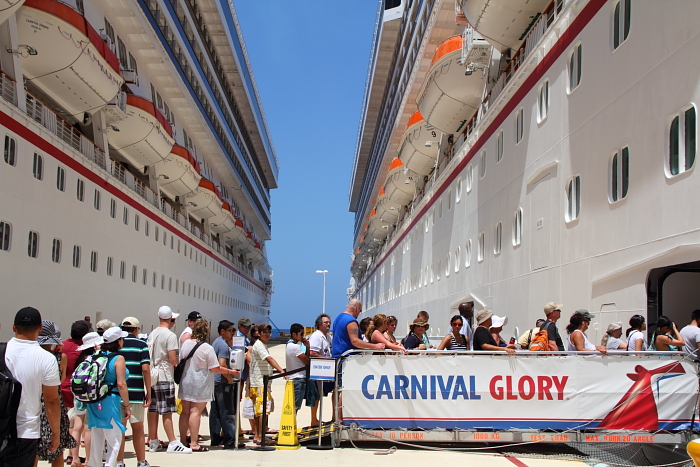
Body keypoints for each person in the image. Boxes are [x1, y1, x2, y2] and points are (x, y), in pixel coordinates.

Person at [0, 308, 61, 467]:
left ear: (14, 327)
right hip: (25, 432)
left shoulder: (1, 351)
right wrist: (55, 433)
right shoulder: (46, 359)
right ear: (40, 328)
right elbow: (52, 401)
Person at [178, 320, 239, 452]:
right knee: (195, 412)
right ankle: (194, 443)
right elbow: (215, 368)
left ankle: (183, 440)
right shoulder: (207, 347)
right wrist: (230, 372)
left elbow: (180, 359)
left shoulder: (186, 344)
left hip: (186, 381)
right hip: (200, 383)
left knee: (185, 412)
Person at [146, 306, 191, 454]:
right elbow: (173, 359)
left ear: (159, 317)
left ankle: (153, 441)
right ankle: (173, 442)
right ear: (171, 319)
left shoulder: (152, 333)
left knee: (153, 409)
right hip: (164, 375)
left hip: (152, 375)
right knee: (167, 410)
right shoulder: (170, 335)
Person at [85, 327, 131, 467]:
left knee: (97, 438)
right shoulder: (118, 358)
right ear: (118, 341)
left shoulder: (95, 355)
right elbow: (121, 384)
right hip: (110, 401)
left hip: (94, 401)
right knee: (115, 440)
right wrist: (127, 406)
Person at [37, 321, 77, 467]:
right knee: (58, 450)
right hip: (54, 400)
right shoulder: (60, 358)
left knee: (33, 449)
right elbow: (61, 380)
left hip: (35, 401)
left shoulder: (34, 356)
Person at [115, 317, 151, 467]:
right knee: (138, 428)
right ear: (136, 329)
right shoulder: (142, 344)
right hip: (136, 393)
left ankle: (119, 462)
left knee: (120, 430)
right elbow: (145, 369)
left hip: (117, 393)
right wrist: (148, 392)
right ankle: (141, 461)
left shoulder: (117, 345)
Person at [70, 333, 104, 467]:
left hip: (78, 395)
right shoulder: (96, 358)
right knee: (88, 428)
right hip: (91, 395)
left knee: (76, 427)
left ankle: (75, 459)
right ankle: (89, 460)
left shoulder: (81, 359)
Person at [61, 320, 90, 467]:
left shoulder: (62, 345)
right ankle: (73, 456)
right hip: (76, 390)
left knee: (66, 424)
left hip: (60, 387)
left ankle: (68, 454)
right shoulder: (84, 349)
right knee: (76, 424)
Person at [250, 323, 285, 445]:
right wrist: (281, 370)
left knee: (259, 411)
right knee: (261, 411)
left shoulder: (262, 345)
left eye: (269, 332)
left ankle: (258, 435)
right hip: (260, 382)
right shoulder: (259, 345)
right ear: (258, 334)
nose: (267, 334)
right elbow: (269, 359)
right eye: (264, 332)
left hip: (260, 382)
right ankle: (260, 437)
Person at [209, 320, 238, 449]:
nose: (232, 333)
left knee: (215, 412)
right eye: (230, 330)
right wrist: (229, 378)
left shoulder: (215, 342)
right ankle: (230, 439)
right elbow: (222, 364)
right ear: (223, 331)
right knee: (227, 411)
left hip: (214, 382)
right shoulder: (223, 346)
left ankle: (215, 438)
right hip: (222, 382)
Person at [308, 314, 333, 426]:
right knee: (317, 395)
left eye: (329, 322)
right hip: (318, 369)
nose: (328, 324)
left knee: (328, 393)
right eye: (326, 322)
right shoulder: (316, 336)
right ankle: (314, 419)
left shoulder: (328, 336)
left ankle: (332, 417)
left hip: (327, 370)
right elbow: (312, 352)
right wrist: (326, 360)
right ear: (319, 324)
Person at [285, 323, 310, 412]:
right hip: (298, 378)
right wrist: (308, 347)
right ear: (294, 334)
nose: (303, 336)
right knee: (295, 407)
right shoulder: (295, 347)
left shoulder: (288, 345)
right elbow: (307, 361)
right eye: (301, 334)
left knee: (292, 406)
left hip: (292, 377)